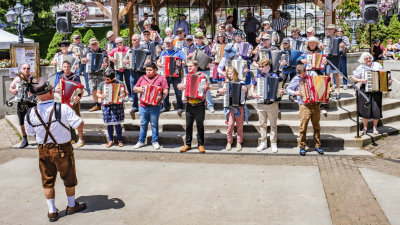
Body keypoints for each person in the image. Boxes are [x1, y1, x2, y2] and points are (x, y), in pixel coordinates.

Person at [24, 77, 86, 222]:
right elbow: (79, 124)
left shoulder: (30, 112)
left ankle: (52, 211)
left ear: (37, 95)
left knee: (47, 181)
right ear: (51, 91)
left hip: (43, 149)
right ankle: (71, 206)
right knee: (69, 178)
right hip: (63, 148)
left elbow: (31, 133)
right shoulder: (63, 107)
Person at [286, 64, 325, 156]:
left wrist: (326, 89)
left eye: (303, 75)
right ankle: (302, 146)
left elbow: (321, 84)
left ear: (305, 71)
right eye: (300, 75)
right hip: (304, 106)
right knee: (303, 127)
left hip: (316, 104)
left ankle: (317, 145)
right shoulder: (297, 78)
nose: (301, 76)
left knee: (317, 126)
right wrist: (295, 92)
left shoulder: (313, 74)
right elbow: (288, 89)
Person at [352, 52, 392, 135]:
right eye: (366, 58)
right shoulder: (361, 67)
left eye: (369, 58)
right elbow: (353, 78)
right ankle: (365, 127)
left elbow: (383, 75)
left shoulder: (377, 65)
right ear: (363, 60)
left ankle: (375, 127)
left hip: (377, 90)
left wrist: (388, 81)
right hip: (365, 90)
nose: (368, 59)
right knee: (365, 110)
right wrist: (361, 80)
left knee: (376, 109)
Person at [132, 63, 169, 149]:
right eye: (147, 70)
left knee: (154, 124)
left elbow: (166, 89)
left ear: (155, 69)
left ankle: (155, 141)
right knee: (143, 124)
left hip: (155, 105)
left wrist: (163, 94)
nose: (148, 72)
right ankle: (141, 141)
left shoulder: (161, 78)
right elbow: (134, 88)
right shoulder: (142, 78)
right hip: (143, 105)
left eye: (150, 70)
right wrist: (138, 89)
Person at [251, 59, 284, 153]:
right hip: (261, 104)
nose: (260, 68)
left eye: (262, 66)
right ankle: (263, 142)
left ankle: (273, 143)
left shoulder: (275, 76)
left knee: (273, 125)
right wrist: (253, 93)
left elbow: (280, 90)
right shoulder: (258, 76)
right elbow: (252, 87)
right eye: (259, 66)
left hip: (272, 104)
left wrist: (281, 92)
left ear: (268, 66)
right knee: (262, 124)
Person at [177, 60, 208, 153]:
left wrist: (206, 87)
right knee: (188, 125)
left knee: (200, 125)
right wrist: (180, 86)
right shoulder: (186, 77)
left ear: (196, 66)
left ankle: (201, 144)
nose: (189, 68)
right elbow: (179, 85)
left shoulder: (203, 76)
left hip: (200, 104)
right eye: (188, 66)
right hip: (189, 104)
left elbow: (209, 87)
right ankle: (188, 144)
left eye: (191, 66)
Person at [54, 61, 85, 148]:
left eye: (68, 66)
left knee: (77, 119)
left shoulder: (75, 77)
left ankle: (80, 139)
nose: (66, 68)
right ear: (62, 67)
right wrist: (57, 89)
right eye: (65, 67)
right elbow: (56, 87)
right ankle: (71, 138)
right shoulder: (61, 77)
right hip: (64, 101)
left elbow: (80, 88)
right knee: (66, 119)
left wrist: (78, 96)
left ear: (70, 67)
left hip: (74, 101)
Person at [297, 36, 329, 116]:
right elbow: (298, 59)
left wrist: (325, 62)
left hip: (318, 72)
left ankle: (322, 107)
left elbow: (324, 61)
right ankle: (305, 106)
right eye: (310, 42)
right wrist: (302, 60)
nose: (312, 44)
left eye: (313, 42)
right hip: (307, 72)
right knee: (307, 89)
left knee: (321, 89)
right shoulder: (305, 52)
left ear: (316, 44)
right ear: (308, 44)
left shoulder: (320, 52)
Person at [219, 67, 249, 151]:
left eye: (231, 73)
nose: (229, 75)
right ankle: (229, 141)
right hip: (230, 107)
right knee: (230, 125)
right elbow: (222, 92)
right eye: (228, 74)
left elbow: (246, 95)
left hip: (239, 107)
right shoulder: (226, 83)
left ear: (235, 73)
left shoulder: (241, 82)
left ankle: (239, 142)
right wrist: (220, 91)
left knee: (239, 126)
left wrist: (246, 90)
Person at [96, 68, 128, 148]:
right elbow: (98, 93)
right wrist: (101, 96)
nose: (106, 80)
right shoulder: (102, 84)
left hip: (117, 106)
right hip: (107, 106)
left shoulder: (120, 83)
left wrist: (123, 95)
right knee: (109, 124)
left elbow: (125, 92)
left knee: (117, 124)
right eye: (105, 78)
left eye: (108, 79)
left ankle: (120, 140)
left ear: (113, 78)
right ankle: (110, 140)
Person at [8, 63, 37, 148]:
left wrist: (34, 87)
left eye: (28, 68)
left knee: (34, 120)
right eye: (24, 68)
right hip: (21, 102)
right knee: (21, 122)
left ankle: (38, 139)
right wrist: (13, 91)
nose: (26, 70)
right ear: (21, 69)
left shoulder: (33, 79)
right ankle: (25, 139)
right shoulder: (17, 79)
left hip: (31, 102)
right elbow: (10, 88)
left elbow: (38, 89)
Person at [187, 32, 215, 113]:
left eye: (200, 38)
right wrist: (189, 56)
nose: (198, 39)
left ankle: (210, 106)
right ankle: (195, 104)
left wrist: (210, 63)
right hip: (195, 70)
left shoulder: (206, 47)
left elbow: (211, 57)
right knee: (194, 87)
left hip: (204, 70)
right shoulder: (192, 47)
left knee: (206, 87)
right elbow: (188, 59)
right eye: (196, 38)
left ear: (202, 39)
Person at [123, 34, 151, 112]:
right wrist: (125, 61)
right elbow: (124, 59)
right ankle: (135, 106)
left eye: (135, 40)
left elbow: (149, 57)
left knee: (145, 89)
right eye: (132, 40)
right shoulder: (130, 50)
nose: (133, 41)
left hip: (142, 72)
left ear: (139, 40)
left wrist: (147, 60)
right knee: (133, 90)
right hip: (133, 72)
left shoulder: (145, 50)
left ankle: (145, 104)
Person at [158, 37, 185, 115]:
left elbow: (183, 60)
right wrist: (159, 63)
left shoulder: (178, 51)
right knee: (165, 91)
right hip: (166, 74)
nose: (168, 44)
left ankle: (180, 107)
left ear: (172, 42)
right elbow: (159, 61)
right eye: (167, 43)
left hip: (176, 73)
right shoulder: (164, 52)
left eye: (169, 43)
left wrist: (181, 63)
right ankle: (165, 106)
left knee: (178, 91)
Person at [81, 38, 109, 112]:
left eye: (95, 44)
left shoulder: (102, 51)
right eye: (92, 44)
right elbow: (82, 60)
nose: (94, 45)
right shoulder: (87, 51)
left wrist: (105, 64)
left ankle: (103, 104)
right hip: (91, 72)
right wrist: (83, 60)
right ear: (90, 45)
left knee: (102, 88)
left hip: (101, 72)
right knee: (93, 88)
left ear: (98, 44)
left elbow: (107, 61)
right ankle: (96, 104)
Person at [322, 24, 345, 99]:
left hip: (336, 58)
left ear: (334, 31)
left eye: (331, 29)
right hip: (328, 58)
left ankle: (338, 91)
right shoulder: (325, 39)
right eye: (328, 29)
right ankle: (328, 90)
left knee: (336, 75)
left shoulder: (338, 39)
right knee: (328, 76)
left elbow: (342, 52)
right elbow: (322, 50)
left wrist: (343, 47)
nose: (329, 30)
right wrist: (322, 47)